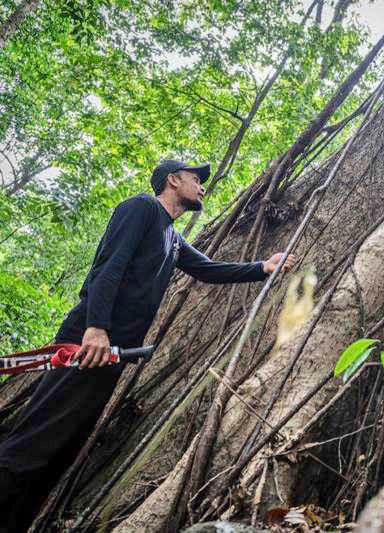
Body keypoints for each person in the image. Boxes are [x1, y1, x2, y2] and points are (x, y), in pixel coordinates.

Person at [0, 159, 297, 530]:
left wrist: (261, 268)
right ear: (173, 181)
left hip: (112, 357)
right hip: (86, 345)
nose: (202, 186)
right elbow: (109, 266)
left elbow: (207, 268)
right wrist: (95, 327)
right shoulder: (140, 208)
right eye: (195, 179)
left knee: (62, 448)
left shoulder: (172, 236)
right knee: (35, 440)